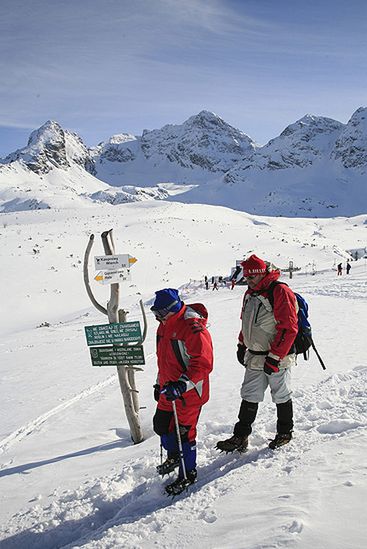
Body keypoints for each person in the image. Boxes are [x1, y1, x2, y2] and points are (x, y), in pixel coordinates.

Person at [216, 254, 298, 453]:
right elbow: (246, 322)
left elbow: (289, 328)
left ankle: (285, 432)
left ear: (261, 273)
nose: (248, 281)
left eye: (252, 277)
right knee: (249, 395)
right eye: (246, 277)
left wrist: (275, 356)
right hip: (255, 355)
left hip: (277, 356)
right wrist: (241, 344)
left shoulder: (279, 291)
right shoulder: (250, 293)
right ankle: (241, 436)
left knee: (281, 394)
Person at [151, 288, 213, 495]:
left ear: (172, 309)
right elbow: (164, 360)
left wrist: (181, 385)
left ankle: (189, 473)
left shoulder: (192, 327)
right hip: (169, 389)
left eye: (160, 313)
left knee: (184, 433)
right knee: (161, 425)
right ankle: (174, 456)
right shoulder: (164, 325)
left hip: (190, 392)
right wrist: (159, 383)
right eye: (155, 314)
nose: (158, 318)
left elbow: (203, 364)